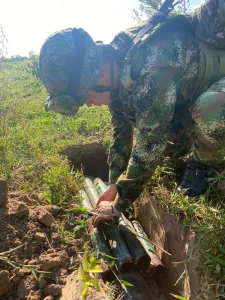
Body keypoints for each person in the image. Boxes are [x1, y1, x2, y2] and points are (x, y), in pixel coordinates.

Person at [39, 0, 225, 226]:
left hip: (215, 90)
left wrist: (119, 204)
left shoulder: (150, 66)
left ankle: (204, 166)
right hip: (195, 84)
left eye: (87, 97)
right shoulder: (117, 65)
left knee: (210, 110)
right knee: (173, 142)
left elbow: (150, 141)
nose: (89, 104)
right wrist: (113, 183)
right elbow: (121, 134)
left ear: (102, 72)